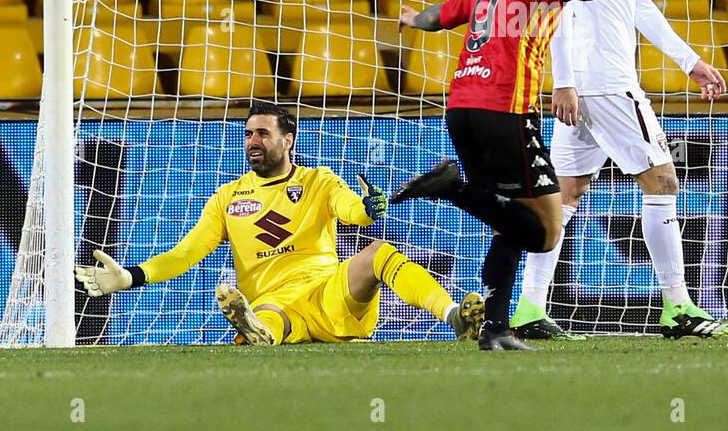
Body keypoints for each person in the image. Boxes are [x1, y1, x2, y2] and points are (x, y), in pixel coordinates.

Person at [393, 0, 661, 350]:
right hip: (505, 111)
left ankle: (495, 329)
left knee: (508, 223)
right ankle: (451, 188)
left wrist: (411, 19)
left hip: (461, 109)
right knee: (545, 232)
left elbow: (440, 16)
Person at [514, 0, 728, 340]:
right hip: (605, 83)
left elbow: (635, 5)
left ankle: (529, 308)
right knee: (662, 182)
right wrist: (564, 81)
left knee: (566, 194)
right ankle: (679, 308)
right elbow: (563, 1)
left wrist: (690, 60)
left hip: (589, 87)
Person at [74, 102, 484, 345]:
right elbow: (186, 253)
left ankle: (455, 318)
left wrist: (369, 209)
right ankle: (258, 332)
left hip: (330, 294)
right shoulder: (227, 197)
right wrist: (130, 277)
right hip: (275, 303)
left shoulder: (318, 180)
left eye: (263, 134)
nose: (252, 141)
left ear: (288, 140)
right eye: (248, 133)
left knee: (377, 253)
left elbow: (351, 210)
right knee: (265, 318)